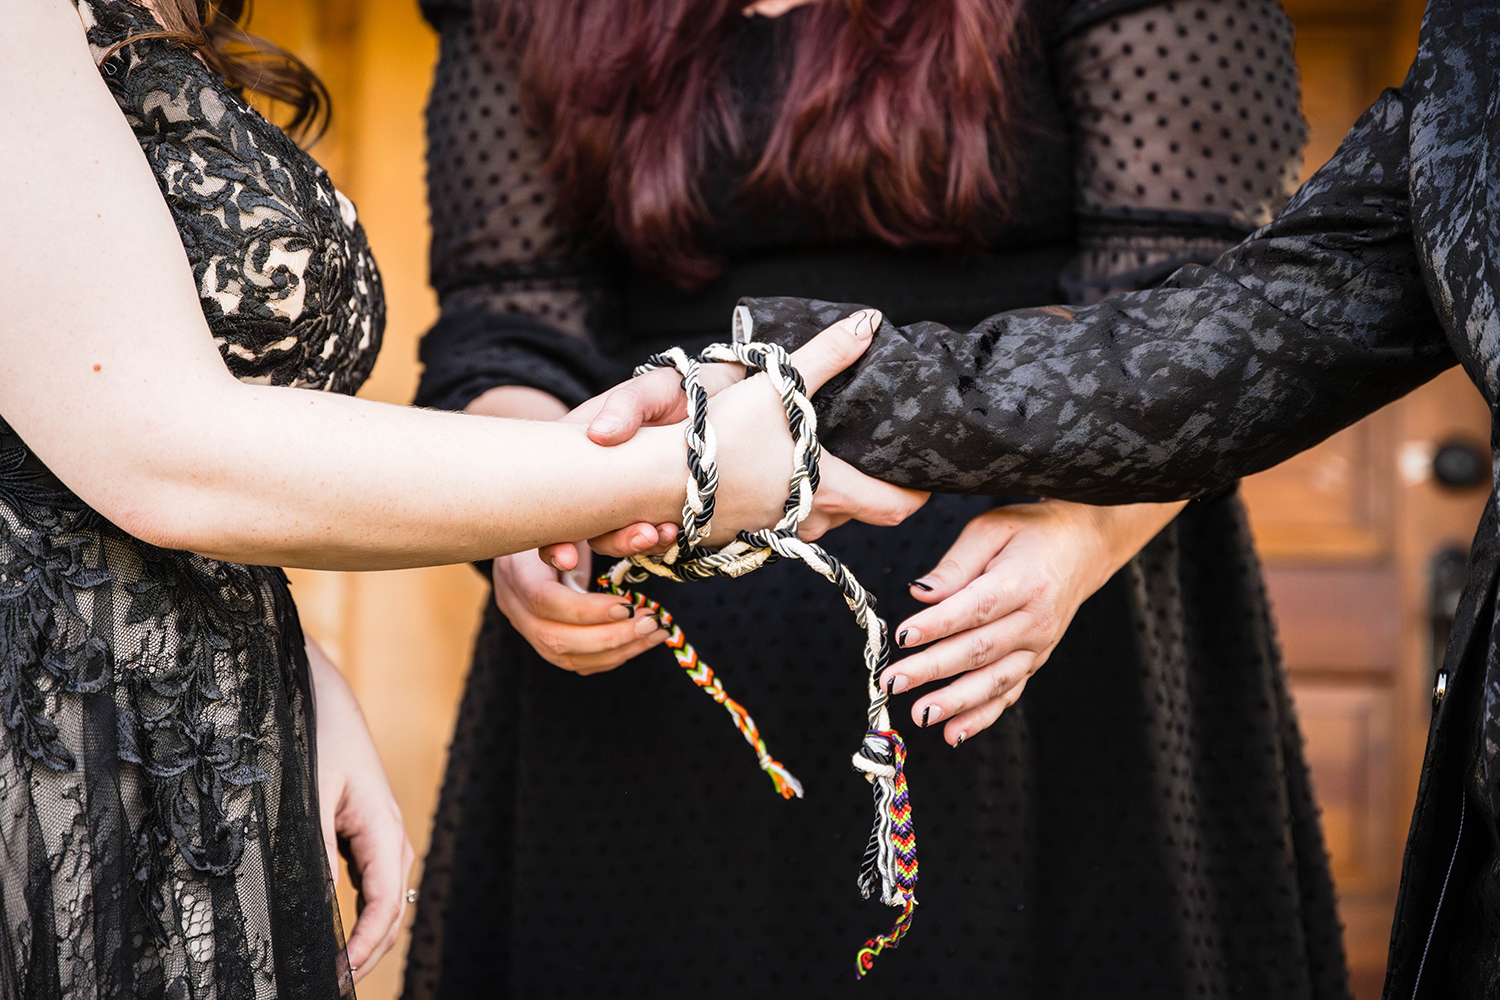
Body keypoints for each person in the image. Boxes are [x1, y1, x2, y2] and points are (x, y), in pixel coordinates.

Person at [404, 1, 1350, 998]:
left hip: (1052, 642)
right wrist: (523, 513)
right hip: (641, 689)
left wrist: (1083, 536)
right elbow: (505, 325)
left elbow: (1203, 325)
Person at [0, 2, 907, 997]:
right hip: (45, 781)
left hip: (192, 754)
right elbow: (157, 443)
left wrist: (286, 655)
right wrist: (678, 470)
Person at [645, 1, 1500, 994]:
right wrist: (818, 393)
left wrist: (801, 401)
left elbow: (1215, 297)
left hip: (1052, 703)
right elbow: (1284, 312)